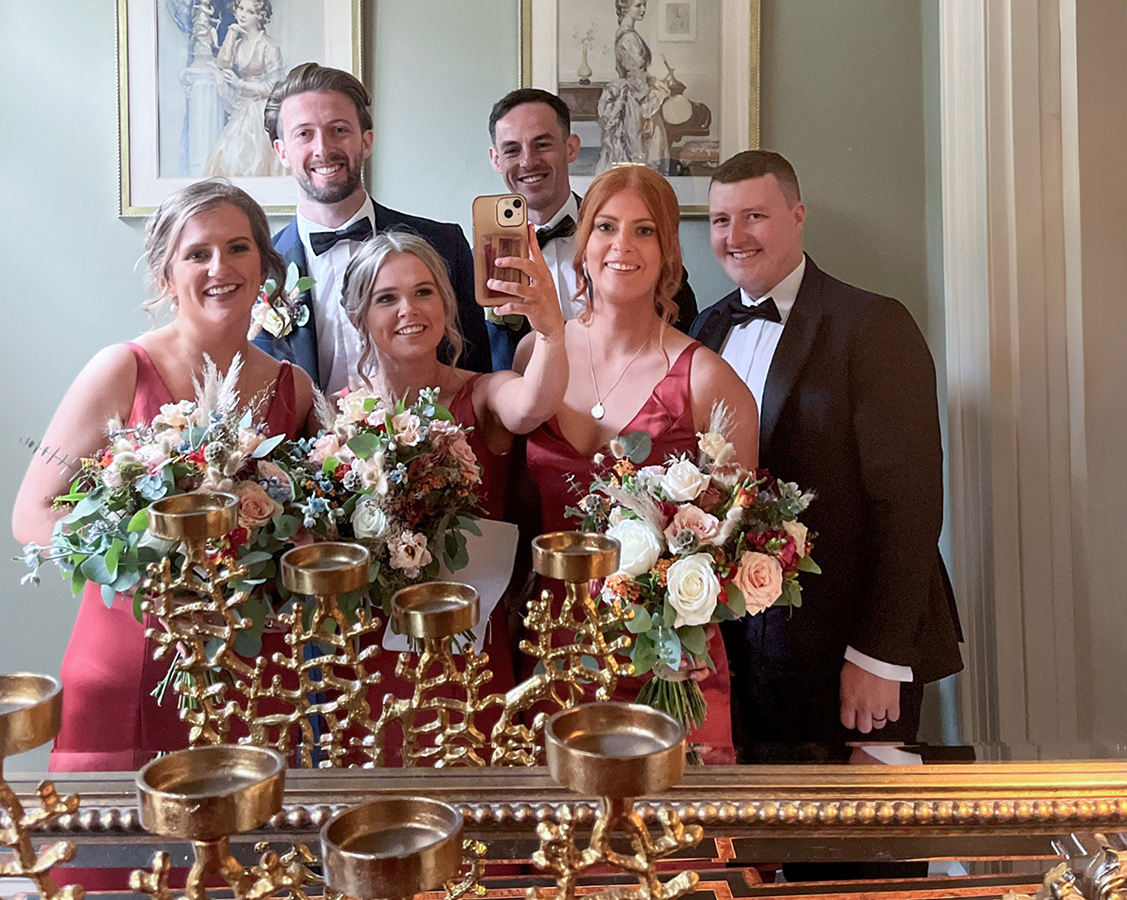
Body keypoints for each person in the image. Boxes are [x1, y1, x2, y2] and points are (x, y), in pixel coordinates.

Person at [12, 180, 317, 773]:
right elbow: (31, 513)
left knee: (241, 860)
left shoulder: (293, 387)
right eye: (196, 253)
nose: (219, 267)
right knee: (113, 857)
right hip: (130, 653)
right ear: (165, 277)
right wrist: (147, 571)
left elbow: (302, 522)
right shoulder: (122, 369)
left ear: (265, 267)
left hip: (247, 665)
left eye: (238, 248)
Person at [690, 150, 963, 760]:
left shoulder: (872, 324)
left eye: (754, 215)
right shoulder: (704, 331)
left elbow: (911, 504)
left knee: (859, 847)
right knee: (762, 840)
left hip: (848, 645)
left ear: (797, 214)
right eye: (720, 220)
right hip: (742, 650)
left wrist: (878, 655)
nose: (735, 237)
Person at [521, 165, 758, 763]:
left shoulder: (708, 380)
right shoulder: (536, 352)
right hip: (551, 647)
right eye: (605, 226)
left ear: (669, 251)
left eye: (644, 231)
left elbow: (734, 542)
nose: (622, 246)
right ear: (583, 242)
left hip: (665, 664)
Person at [339, 229, 568, 763]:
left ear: (446, 302)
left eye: (424, 292)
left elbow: (531, 406)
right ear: (359, 316)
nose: (408, 310)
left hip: (472, 648)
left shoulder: (484, 393)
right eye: (386, 298)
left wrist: (551, 332)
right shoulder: (336, 415)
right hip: (374, 653)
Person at [255, 63, 491, 392]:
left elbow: (475, 377)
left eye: (339, 130)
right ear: (282, 151)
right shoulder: (258, 269)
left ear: (366, 141)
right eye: (304, 134)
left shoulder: (444, 245)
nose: (323, 148)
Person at [487, 88, 698, 370]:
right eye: (512, 149)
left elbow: (683, 347)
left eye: (542, 144)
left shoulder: (635, 248)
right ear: (496, 159)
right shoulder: (481, 263)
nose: (528, 161)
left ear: (571, 147)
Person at [203, 0, 285, 177]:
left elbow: (274, 87)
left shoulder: (268, 45)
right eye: (240, 8)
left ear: (260, 17)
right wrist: (231, 34)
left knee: (252, 157)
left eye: (250, 12)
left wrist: (240, 84)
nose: (242, 14)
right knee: (226, 154)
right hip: (243, 105)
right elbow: (223, 62)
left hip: (259, 109)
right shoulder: (240, 43)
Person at [597, 0, 670, 173]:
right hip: (634, 99)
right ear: (625, 7)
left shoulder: (628, 33)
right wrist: (654, 87)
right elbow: (635, 75)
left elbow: (637, 71)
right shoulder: (628, 37)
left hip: (635, 92)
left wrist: (653, 81)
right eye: (638, 5)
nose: (643, 9)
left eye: (644, 4)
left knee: (640, 149)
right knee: (638, 147)